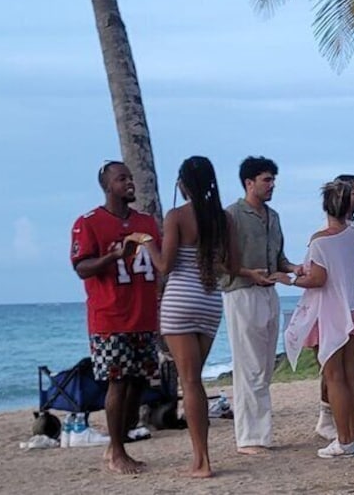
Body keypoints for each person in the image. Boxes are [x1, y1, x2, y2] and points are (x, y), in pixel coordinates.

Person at [131, 156, 238, 478]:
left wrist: (148, 243)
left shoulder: (177, 215)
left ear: (183, 184)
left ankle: (201, 461)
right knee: (196, 379)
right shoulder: (224, 220)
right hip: (209, 301)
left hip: (179, 298)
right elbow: (232, 266)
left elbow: (165, 265)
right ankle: (201, 459)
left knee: (190, 382)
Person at [70, 161, 160, 474]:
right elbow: (81, 267)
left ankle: (116, 445)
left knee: (138, 383)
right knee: (117, 382)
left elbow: (160, 263)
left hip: (144, 317)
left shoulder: (146, 223)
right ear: (108, 186)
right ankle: (118, 451)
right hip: (109, 318)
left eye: (130, 178)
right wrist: (113, 256)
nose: (129, 183)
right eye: (122, 179)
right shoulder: (90, 222)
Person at [221, 156, 302, 454]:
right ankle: (249, 437)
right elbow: (220, 261)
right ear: (249, 182)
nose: (271, 186)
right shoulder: (231, 215)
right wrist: (248, 273)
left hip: (269, 292)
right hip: (242, 293)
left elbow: (278, 258)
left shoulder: (274, 216)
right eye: (266, 180)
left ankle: (260, 434)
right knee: (249, 367)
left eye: (273, 180)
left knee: (265, 367)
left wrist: (294, 268)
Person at [285, 180, 354, 458]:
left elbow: (317, 279)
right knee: (351, 378)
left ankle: (343, 440)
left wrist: (289, 278)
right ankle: (352, 438)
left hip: (329, 313)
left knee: (334, 378)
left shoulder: (319, 240)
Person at [314, 174, 354, 441]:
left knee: (351, 367)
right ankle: (329, 418)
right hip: (344, 304)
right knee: (336, 367)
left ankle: (350, 421)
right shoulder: (333, 234)